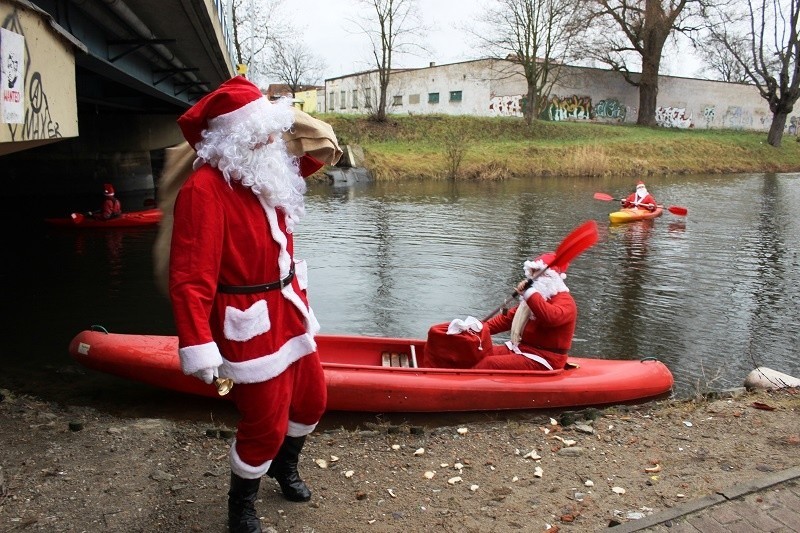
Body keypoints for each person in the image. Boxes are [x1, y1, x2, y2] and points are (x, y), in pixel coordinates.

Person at [168, 75, 341, 533]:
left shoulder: (269, 166)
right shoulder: (204, 189)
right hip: (249, 322)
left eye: (272, 128)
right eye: (260, 130)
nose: (272, 138)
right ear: (232, 137)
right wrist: (198, 342)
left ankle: (285, 467)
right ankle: (240, 502)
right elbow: (189, 277)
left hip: (291, 309)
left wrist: (277, 117)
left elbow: (319, 147)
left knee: (311, 402)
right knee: (263, 422)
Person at [473, 253, 576, 371]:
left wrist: (530, 293)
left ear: (551, 278)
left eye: (537, 273)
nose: (532, 279)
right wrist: (475, 329)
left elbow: (550, 317)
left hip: (546, 358)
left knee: (489, 363)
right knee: (478, 353)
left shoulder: (565, 301)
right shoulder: (536, 299)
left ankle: (465, 384)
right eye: (532, 273)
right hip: (523, 349)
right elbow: (506, 319)